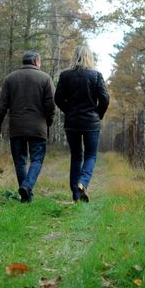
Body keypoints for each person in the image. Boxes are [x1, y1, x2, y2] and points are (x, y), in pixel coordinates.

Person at [0, 51, 55, 203]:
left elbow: (1, 106)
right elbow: (51, 105)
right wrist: (49, 121)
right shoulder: (45, 78)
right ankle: (27, 187)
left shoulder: (10, 79)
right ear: (36, 62)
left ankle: (25, 196)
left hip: (17, 128)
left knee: (20, 161)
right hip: (38, 128)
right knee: (37, 160)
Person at [55, 45, 109, 202]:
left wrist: (68, 111)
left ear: (75, 57)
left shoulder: (65, 76)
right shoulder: (96, 75)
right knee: (91, 155)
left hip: (72, 122)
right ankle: (83, 182)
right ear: (89, 57)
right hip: (91, 122)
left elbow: (58, 99)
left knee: (76, 157)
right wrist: (98, 114)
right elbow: (105, 98)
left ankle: (76, 194)